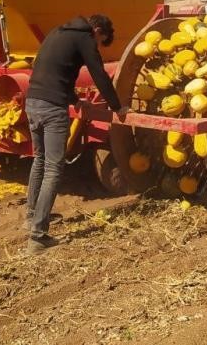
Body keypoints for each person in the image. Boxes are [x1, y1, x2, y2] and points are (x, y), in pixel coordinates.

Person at [23, 14, 129, 254]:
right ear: (98, 30)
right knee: (53, 168)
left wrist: (75, 99)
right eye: (101, 41)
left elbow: (51, 70)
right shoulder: (85, 38)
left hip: (33, 102)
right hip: (52, 109)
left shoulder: (57, 32)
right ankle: (38, 236)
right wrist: (117, 106)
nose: (97, 45)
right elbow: (99, 74)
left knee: (39, 160)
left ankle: (30, 217)